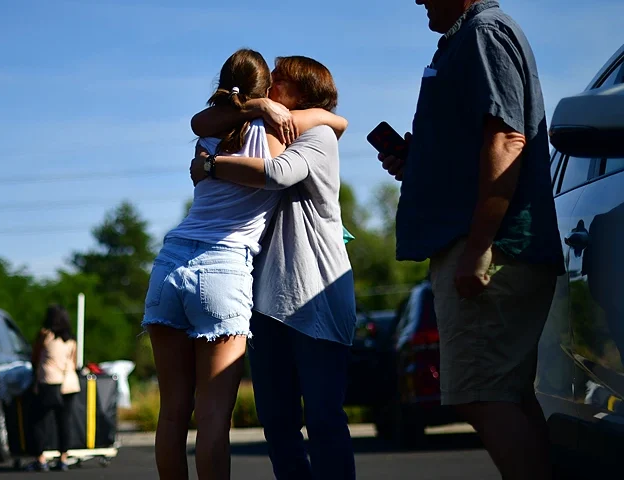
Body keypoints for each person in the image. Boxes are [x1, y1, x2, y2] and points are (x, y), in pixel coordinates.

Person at [378, 1, 564, 479]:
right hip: (484, 242)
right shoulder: (470, 37)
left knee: (481, 393)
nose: (417, 0)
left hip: (489, 246)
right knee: (505, 394)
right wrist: (420, 161)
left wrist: (480, 247)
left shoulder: (484, 32)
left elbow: (507, 139)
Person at [143, 49, 348, 480]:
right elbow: (286, 156)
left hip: (171, 262)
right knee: (216, 419)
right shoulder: (274, 132)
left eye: (281, 79)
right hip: (224, 270)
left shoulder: (214, 134)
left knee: (172, 414)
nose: (274, 84)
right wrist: (261, 109)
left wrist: (214, 161)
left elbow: (207, 127)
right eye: (269, 80)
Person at [27, 305, 81, 472]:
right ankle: (63, 459)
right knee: (64, 422)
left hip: (48, 382)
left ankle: (41, 459)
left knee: (39, 421)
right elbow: (75, 362)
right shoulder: (71, 339)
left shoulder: (44, 335)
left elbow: (34, 357)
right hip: (69, 384)